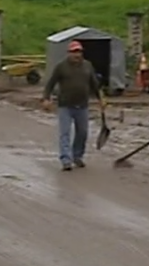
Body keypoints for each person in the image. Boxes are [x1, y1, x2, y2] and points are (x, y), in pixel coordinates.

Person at [41, 40, 105, 172]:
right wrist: (46, 98)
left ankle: (77, 156)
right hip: (65, 105)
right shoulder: (61, 67)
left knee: (82, 132)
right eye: (74, 52)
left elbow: (94, 83)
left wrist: (100, 98)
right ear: (69, 53)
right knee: (65, 133)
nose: (77, 55)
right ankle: (66, 160)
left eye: (79, 52)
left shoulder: (87, 66)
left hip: (82, 105)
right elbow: (50, 84)